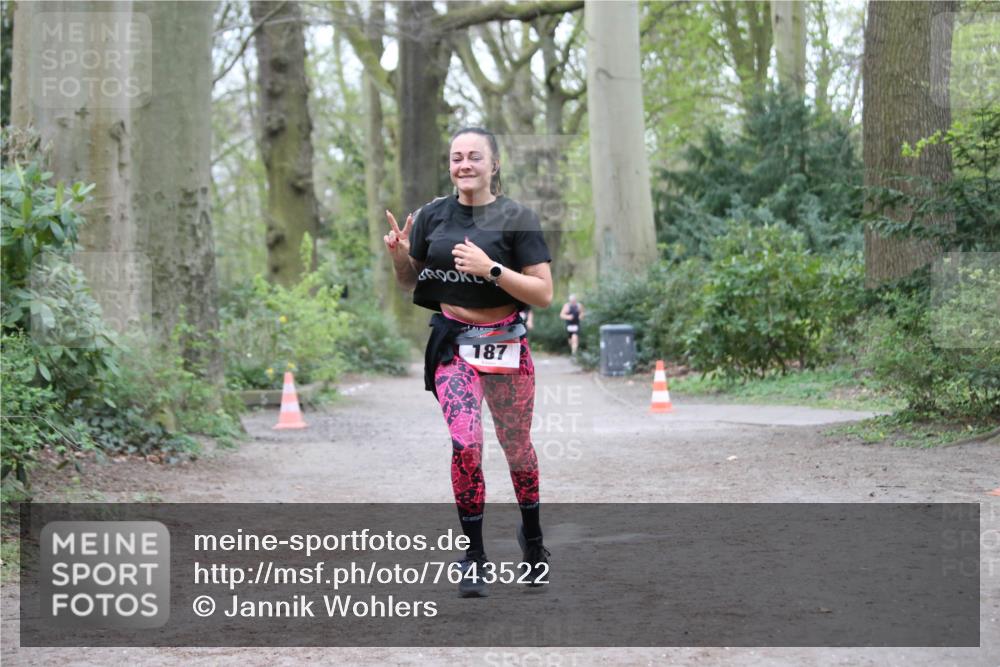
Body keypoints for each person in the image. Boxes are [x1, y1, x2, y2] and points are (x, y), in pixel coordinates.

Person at [384, 127, 553, 598]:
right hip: (453, 342)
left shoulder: (518, 218)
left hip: (505, 341)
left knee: (517, 449)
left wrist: (492, 270)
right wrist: (399, 255)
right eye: (457, 157)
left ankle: (533, 541)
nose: (464, 165)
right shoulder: (433, 216)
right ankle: (474, 556)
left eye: (474, 156)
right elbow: (408, 281)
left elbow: (543, 292)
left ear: (493, 164)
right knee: (466, 444)